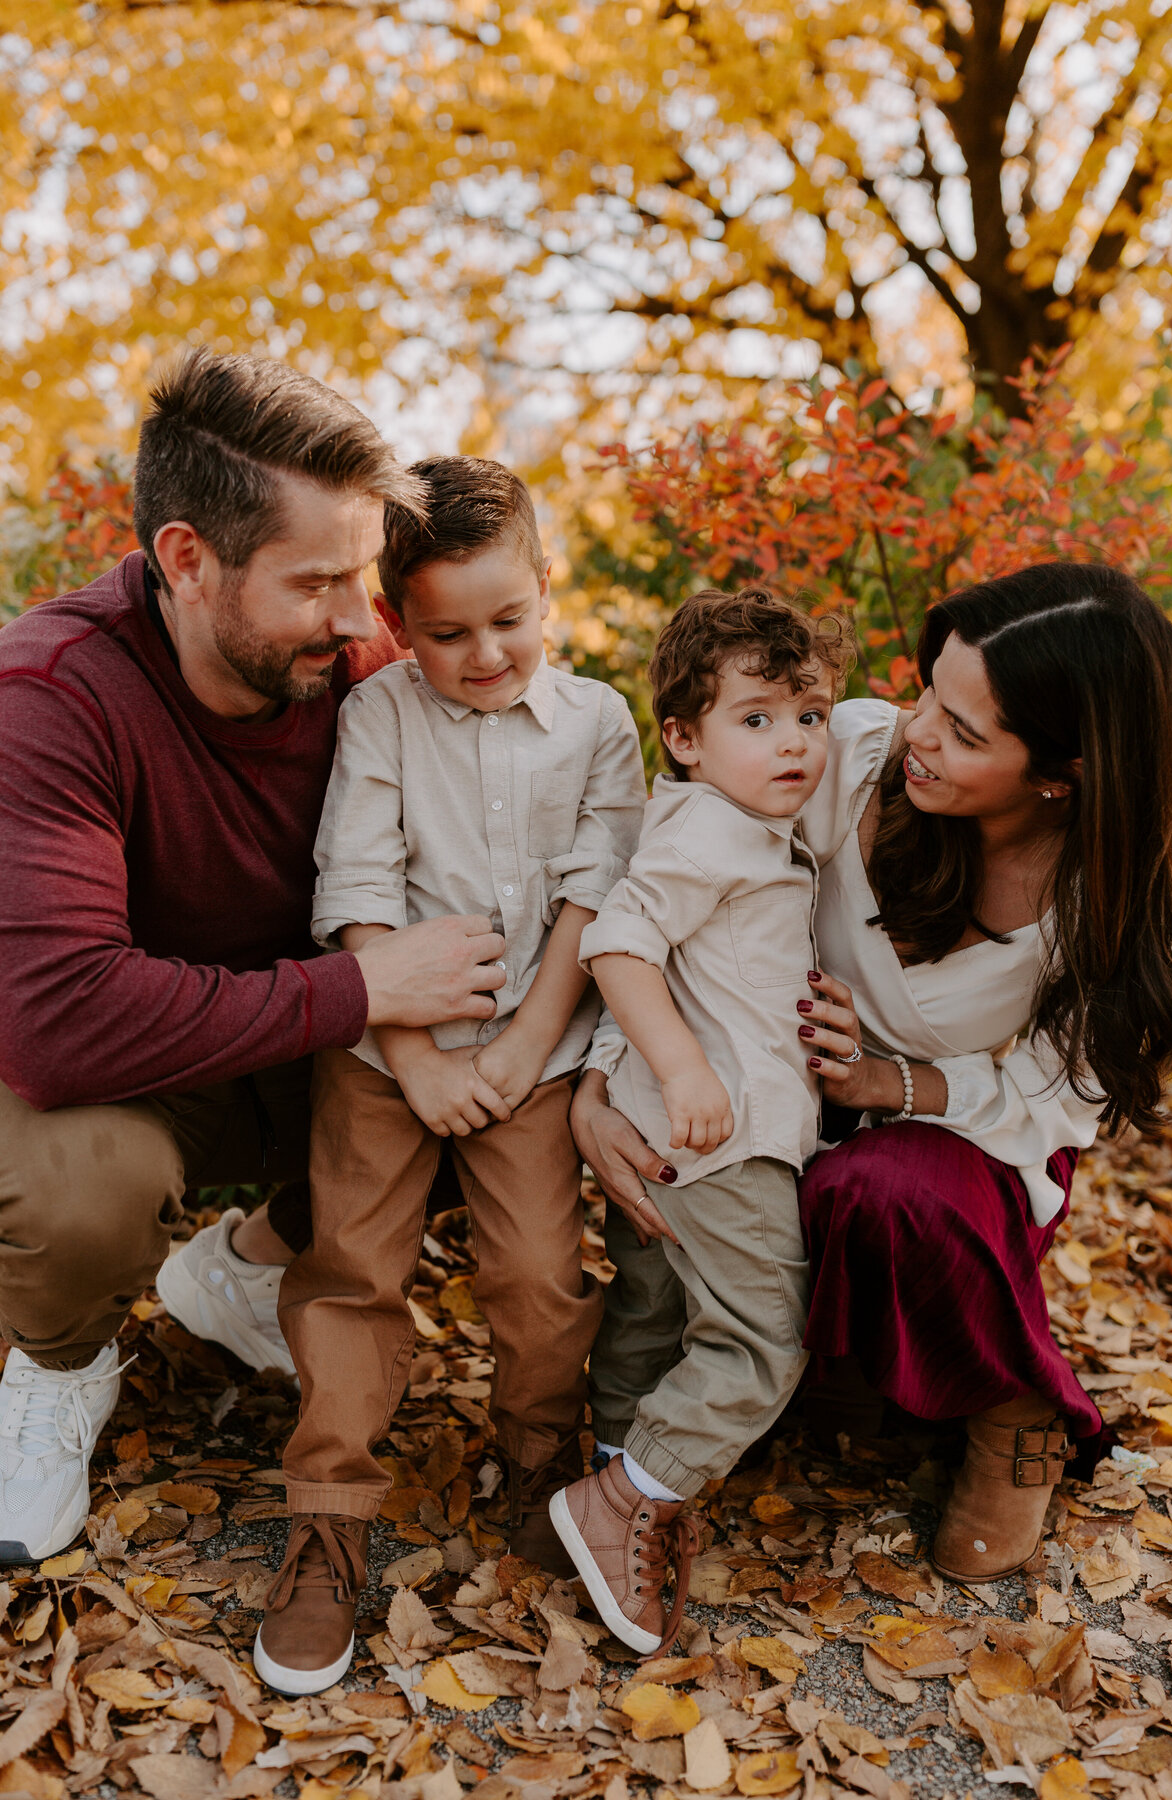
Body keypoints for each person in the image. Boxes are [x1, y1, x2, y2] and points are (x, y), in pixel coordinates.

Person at [572, 562, 1172, 1588]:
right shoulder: (845, 755)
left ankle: (1014, 1411)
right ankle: (804, 1395)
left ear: (1065, 772)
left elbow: (1055, 1103)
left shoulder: (1101, 912)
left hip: (960, 1150)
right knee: (736, 1232)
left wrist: (885, 1085)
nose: (916, 734)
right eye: (928, 695)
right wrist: (604, 1082)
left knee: (876, 1185)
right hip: (762, 1106)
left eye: (965, 732)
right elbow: (668, 911)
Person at [0, 353, 509, 1564]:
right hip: (126, 1071)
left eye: (364, 575)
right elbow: (59, 1020)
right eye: (317, 582)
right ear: (187, 561)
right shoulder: (49, 697)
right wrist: (364, 992)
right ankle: (59, 1366)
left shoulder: (367, 668)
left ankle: (241, 1273)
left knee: (486, 1077)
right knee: (74, 1198)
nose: (356, 618)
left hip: (305, 1048)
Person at [253, 455, 647, 1697]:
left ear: (547, 584)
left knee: (535, 1271)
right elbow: (355, 888)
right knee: (353, 1268)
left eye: (508, 621)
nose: (484, 655)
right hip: (385, 1053)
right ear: (394, 623)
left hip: (534, 1047)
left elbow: (599, 895)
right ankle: (328, 1519)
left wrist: (529, 1047)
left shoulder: (600, 724)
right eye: (446, 633)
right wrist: (418, 1064)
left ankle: (539, 1460)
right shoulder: (378, 718)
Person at [549, 587, 853, 1655]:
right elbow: (619, 944)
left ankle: (616, 1499)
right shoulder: (713, 833)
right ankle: (627, 1499)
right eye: (757, 719)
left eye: (809, 717)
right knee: (764, 1339)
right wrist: (681, 1070)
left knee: (653, 1317)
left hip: (682, 1132)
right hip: (724, 1136)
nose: (795, 744)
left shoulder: (740, 829)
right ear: (680, 737)